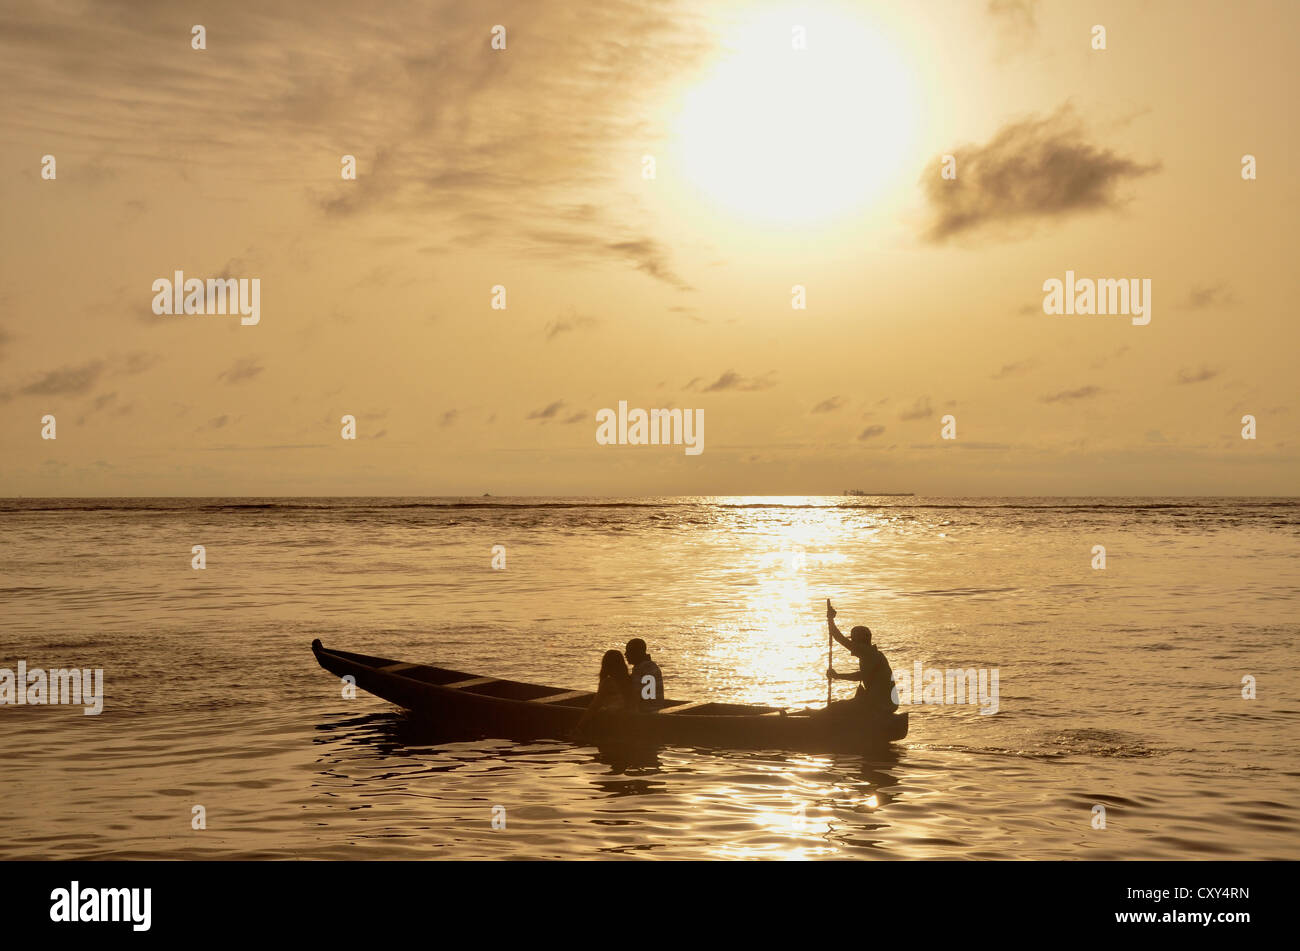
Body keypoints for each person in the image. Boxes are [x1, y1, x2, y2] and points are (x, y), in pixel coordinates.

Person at [825, 600, 898, 715]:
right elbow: (861, 675)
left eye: (854, 640)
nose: (852, 644)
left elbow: (840, 638)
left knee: (837, 707)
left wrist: (830, 619)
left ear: (859, 641)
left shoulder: (866, 651)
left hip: (882, 703)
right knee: (840, 706)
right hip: (885, 702)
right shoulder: (872, 654)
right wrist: (837, 676)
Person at [574, 649, 636, 735]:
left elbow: (594, 706)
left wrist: (580, 726)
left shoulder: (608, 682)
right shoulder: (629, 680)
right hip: (626, 719)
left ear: (606, 665)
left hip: (612, 721)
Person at [624, 638, 664, 707]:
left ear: (637, 653)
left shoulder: (642, 668)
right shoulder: (651, 666)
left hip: (647, 712)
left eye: (629, 651)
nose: (625, 654)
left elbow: (638, 696)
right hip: (655, 707)